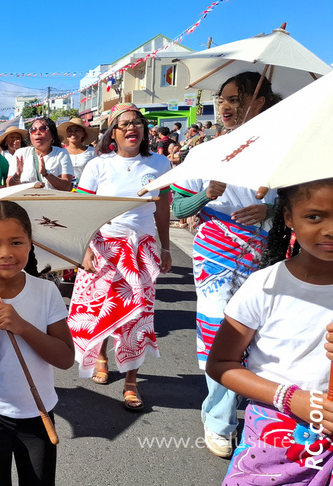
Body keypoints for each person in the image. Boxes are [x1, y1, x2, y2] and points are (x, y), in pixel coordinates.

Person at [170, 71, 283, 458]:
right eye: (222, 99)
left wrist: (272, 207)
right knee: (220, 330)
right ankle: (219, 419)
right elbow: (178, 207)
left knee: (259, 337)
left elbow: (304, 204)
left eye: (235, 99)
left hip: (265, 254)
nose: (226, 106)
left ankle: (260, 415)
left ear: (260, 101)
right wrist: (204, 195)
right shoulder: (205, 152)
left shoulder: (284, 152)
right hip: (214, 253)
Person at [206, 177, 333, 484]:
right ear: (288, 217)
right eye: (314, 216)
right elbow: (221, 364)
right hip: (274, 440)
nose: (330, 230)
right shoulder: (264, 285)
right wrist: (291, 399)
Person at [0, 200, 74, 486]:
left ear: (30, 244)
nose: (6, 253)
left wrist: (23, 327)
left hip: (39, 412)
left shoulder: (46, 291)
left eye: (16, 242)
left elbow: (65, 358)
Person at [69, 103, 172, 411]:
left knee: (138, 316)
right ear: (112, 133)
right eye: (124, 123)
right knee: (100, 309)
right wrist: (84, 248)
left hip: (141, 250)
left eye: (137, 123)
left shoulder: (161, 163)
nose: (132, 127)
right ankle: (101, 357)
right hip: (103, 248)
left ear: (144, 130)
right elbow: (82, 210)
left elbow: (163, 208)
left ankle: (130, 381)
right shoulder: (98, 165)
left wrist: (165, 247)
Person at [6, 117, 73, 192]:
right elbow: (9, 186)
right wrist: (17, 175)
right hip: (26, 201)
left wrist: (46, 174)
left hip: (51, 201)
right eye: (33, 130)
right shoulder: (20, 153)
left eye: (43, 128)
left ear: (52, 134)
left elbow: (66, 186)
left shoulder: (61, 153)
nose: (37, 132)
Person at [57, 118, 98, 187]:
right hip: (65, 190)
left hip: (85, 190)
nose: (73, 133)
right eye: (70, 131)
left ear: (83, 133)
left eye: (76, 130)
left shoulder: (92, 152)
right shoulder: (60, 152)